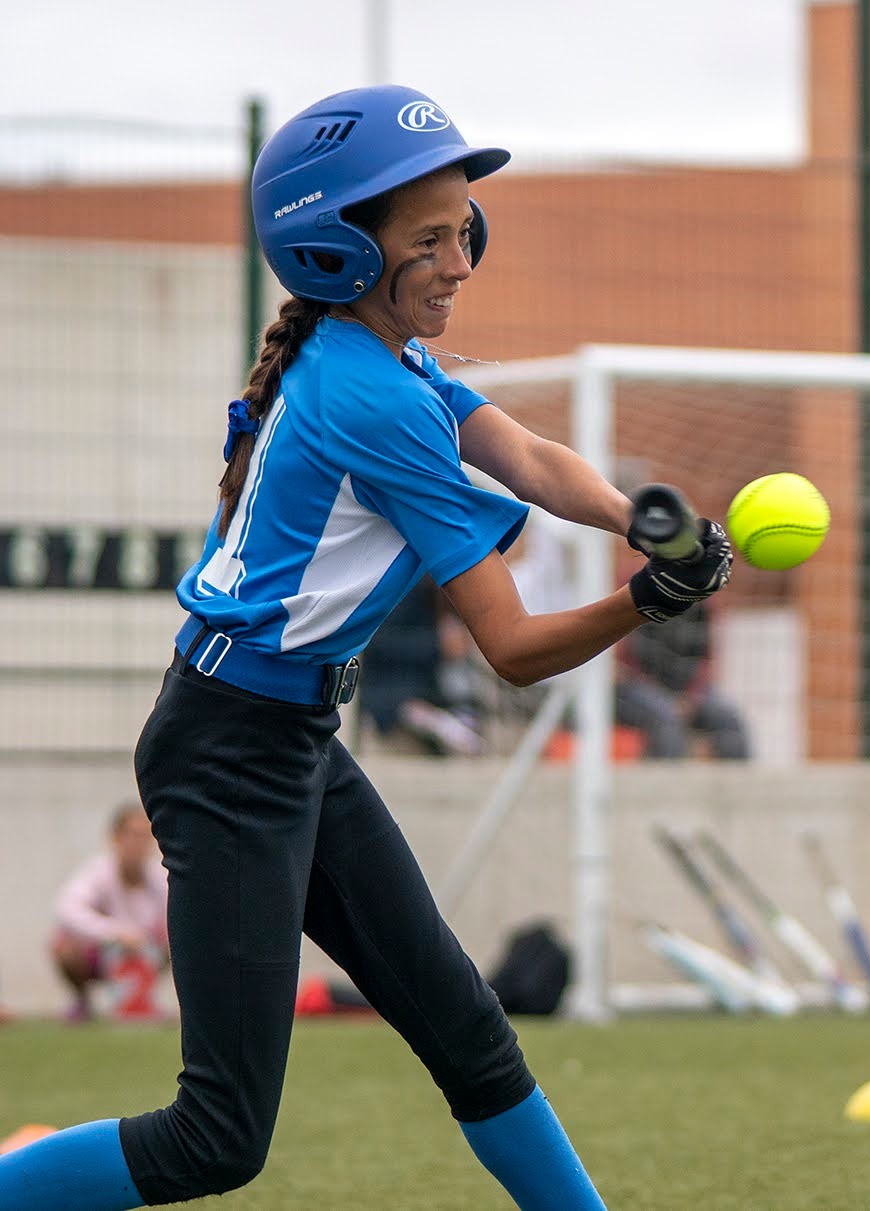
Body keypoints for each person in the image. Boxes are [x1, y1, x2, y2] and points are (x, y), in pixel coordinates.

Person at [0, 85, 730, 1211]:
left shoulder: (380, 357)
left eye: (465, 231)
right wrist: (649, 601)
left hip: (284, 733)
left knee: (465, 1026)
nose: (460, 261)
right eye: (429, 240)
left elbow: (529, 456)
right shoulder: (372, 398)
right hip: (229, 752)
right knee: (216, 1136)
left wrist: (641, 521)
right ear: (335, 249)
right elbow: (517, 648)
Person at [50, 802, 169, 1023]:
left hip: (146, 954)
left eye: (144, 836)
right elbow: (66, 908)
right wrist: (115, 933)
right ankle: (82, 1000)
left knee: (178, 939)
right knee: (63, 945)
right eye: (131, 835)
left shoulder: (159, 876)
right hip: (101, 954)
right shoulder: (97, 871)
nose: (138, 844)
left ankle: (145, 998)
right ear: (116, 838)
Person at [358, 576, 487, 755]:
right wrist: (438, 644)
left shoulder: (441, 588)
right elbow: (377, 643)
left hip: (437, 693)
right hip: (392, 696)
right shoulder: (402, 586)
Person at [616, 601, 750, 759]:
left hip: (687, 693)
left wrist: (691, 697)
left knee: (729, 720)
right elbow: (622, 667)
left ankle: (733, 781)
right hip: (634, 689)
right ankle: (665, 780)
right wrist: (670, 700)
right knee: (666, 718)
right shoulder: (632, 594)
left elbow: (705, 662)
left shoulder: (702, 606)